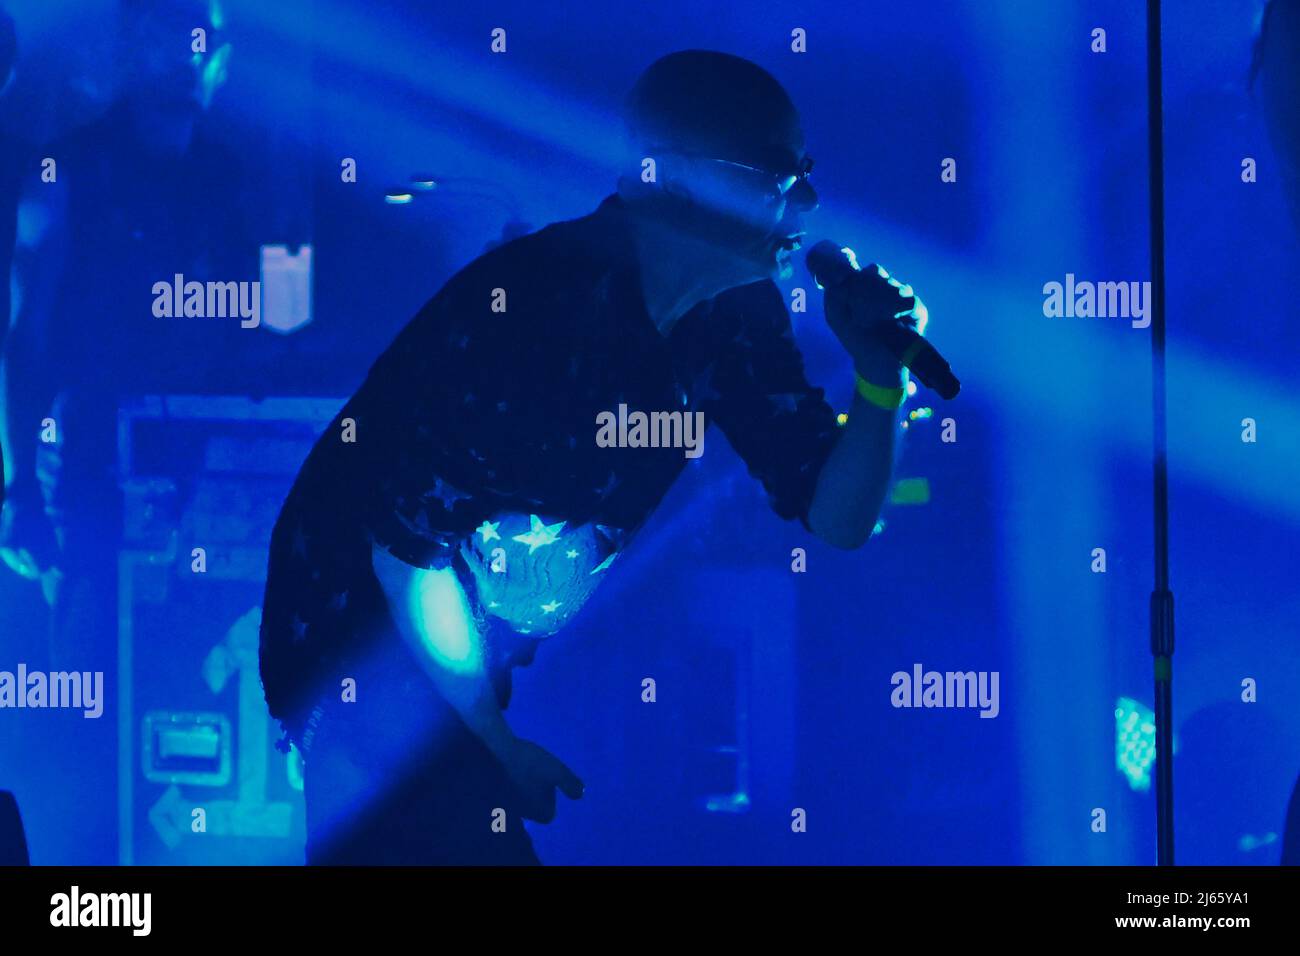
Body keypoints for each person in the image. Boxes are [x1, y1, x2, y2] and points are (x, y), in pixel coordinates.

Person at [259, 49, 928, 865]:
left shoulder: (736, 318)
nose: (810, 203)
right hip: (353, 633)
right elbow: (408, 558)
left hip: (476, 643)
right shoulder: (536, 313)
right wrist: (496, 742)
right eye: (780, 175)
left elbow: (837, 514)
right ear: (682, 182)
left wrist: (878, 379)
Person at [0, 0, 241, 864]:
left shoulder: (229, 175)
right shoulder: (68, 168)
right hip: (94, 472)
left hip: (216, 477)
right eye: (170, 31)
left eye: (205, 34)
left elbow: (272, 330)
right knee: (90, 694)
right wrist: (19, 482)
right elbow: (24, 338)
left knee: (197, 679)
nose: (188, 53)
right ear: (132, 47)